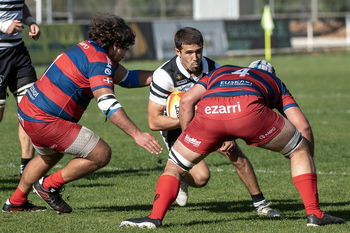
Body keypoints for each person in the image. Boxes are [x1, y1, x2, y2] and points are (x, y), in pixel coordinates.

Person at [120, 60, 345, 228]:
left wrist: (191, 137)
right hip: (250, 112)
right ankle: (314, 213)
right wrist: (307, 157)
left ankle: (154, 218)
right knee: (298, 149)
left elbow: (187, 100)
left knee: (174, 166)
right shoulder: (273, 81)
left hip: (208, 115)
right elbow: (303, 126)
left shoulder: (222, 70)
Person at [2, 13, 162, 213]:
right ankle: (48, 185)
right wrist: (138, 135)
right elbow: (107, 103)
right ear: (114, 45)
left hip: (28, 112)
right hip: (45, 120)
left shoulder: (89, 48)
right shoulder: (99, 60)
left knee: (49, 157)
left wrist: (164, 77)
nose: (125, 54)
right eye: (124, 48)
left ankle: (15, 201)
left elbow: (128, 78)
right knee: (101, 153)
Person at [147, 27, 279, 216]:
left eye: (198, 51)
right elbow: (154, 121)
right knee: (201, 178)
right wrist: (188, 118)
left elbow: (225, 102)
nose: (195, 57)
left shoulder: (214, 69)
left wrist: (227, 135)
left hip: (209, 120)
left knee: (234, 151)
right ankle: (182, 176)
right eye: (189, 53)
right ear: (178, 52)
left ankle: (261, 205)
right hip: (177, 128)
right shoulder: (164, 75)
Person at [0, 2, 41, 178]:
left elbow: (21, 5)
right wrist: (3, 26)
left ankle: (27, 170)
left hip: (18, 54)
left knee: (30, 109)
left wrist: (30, 21)